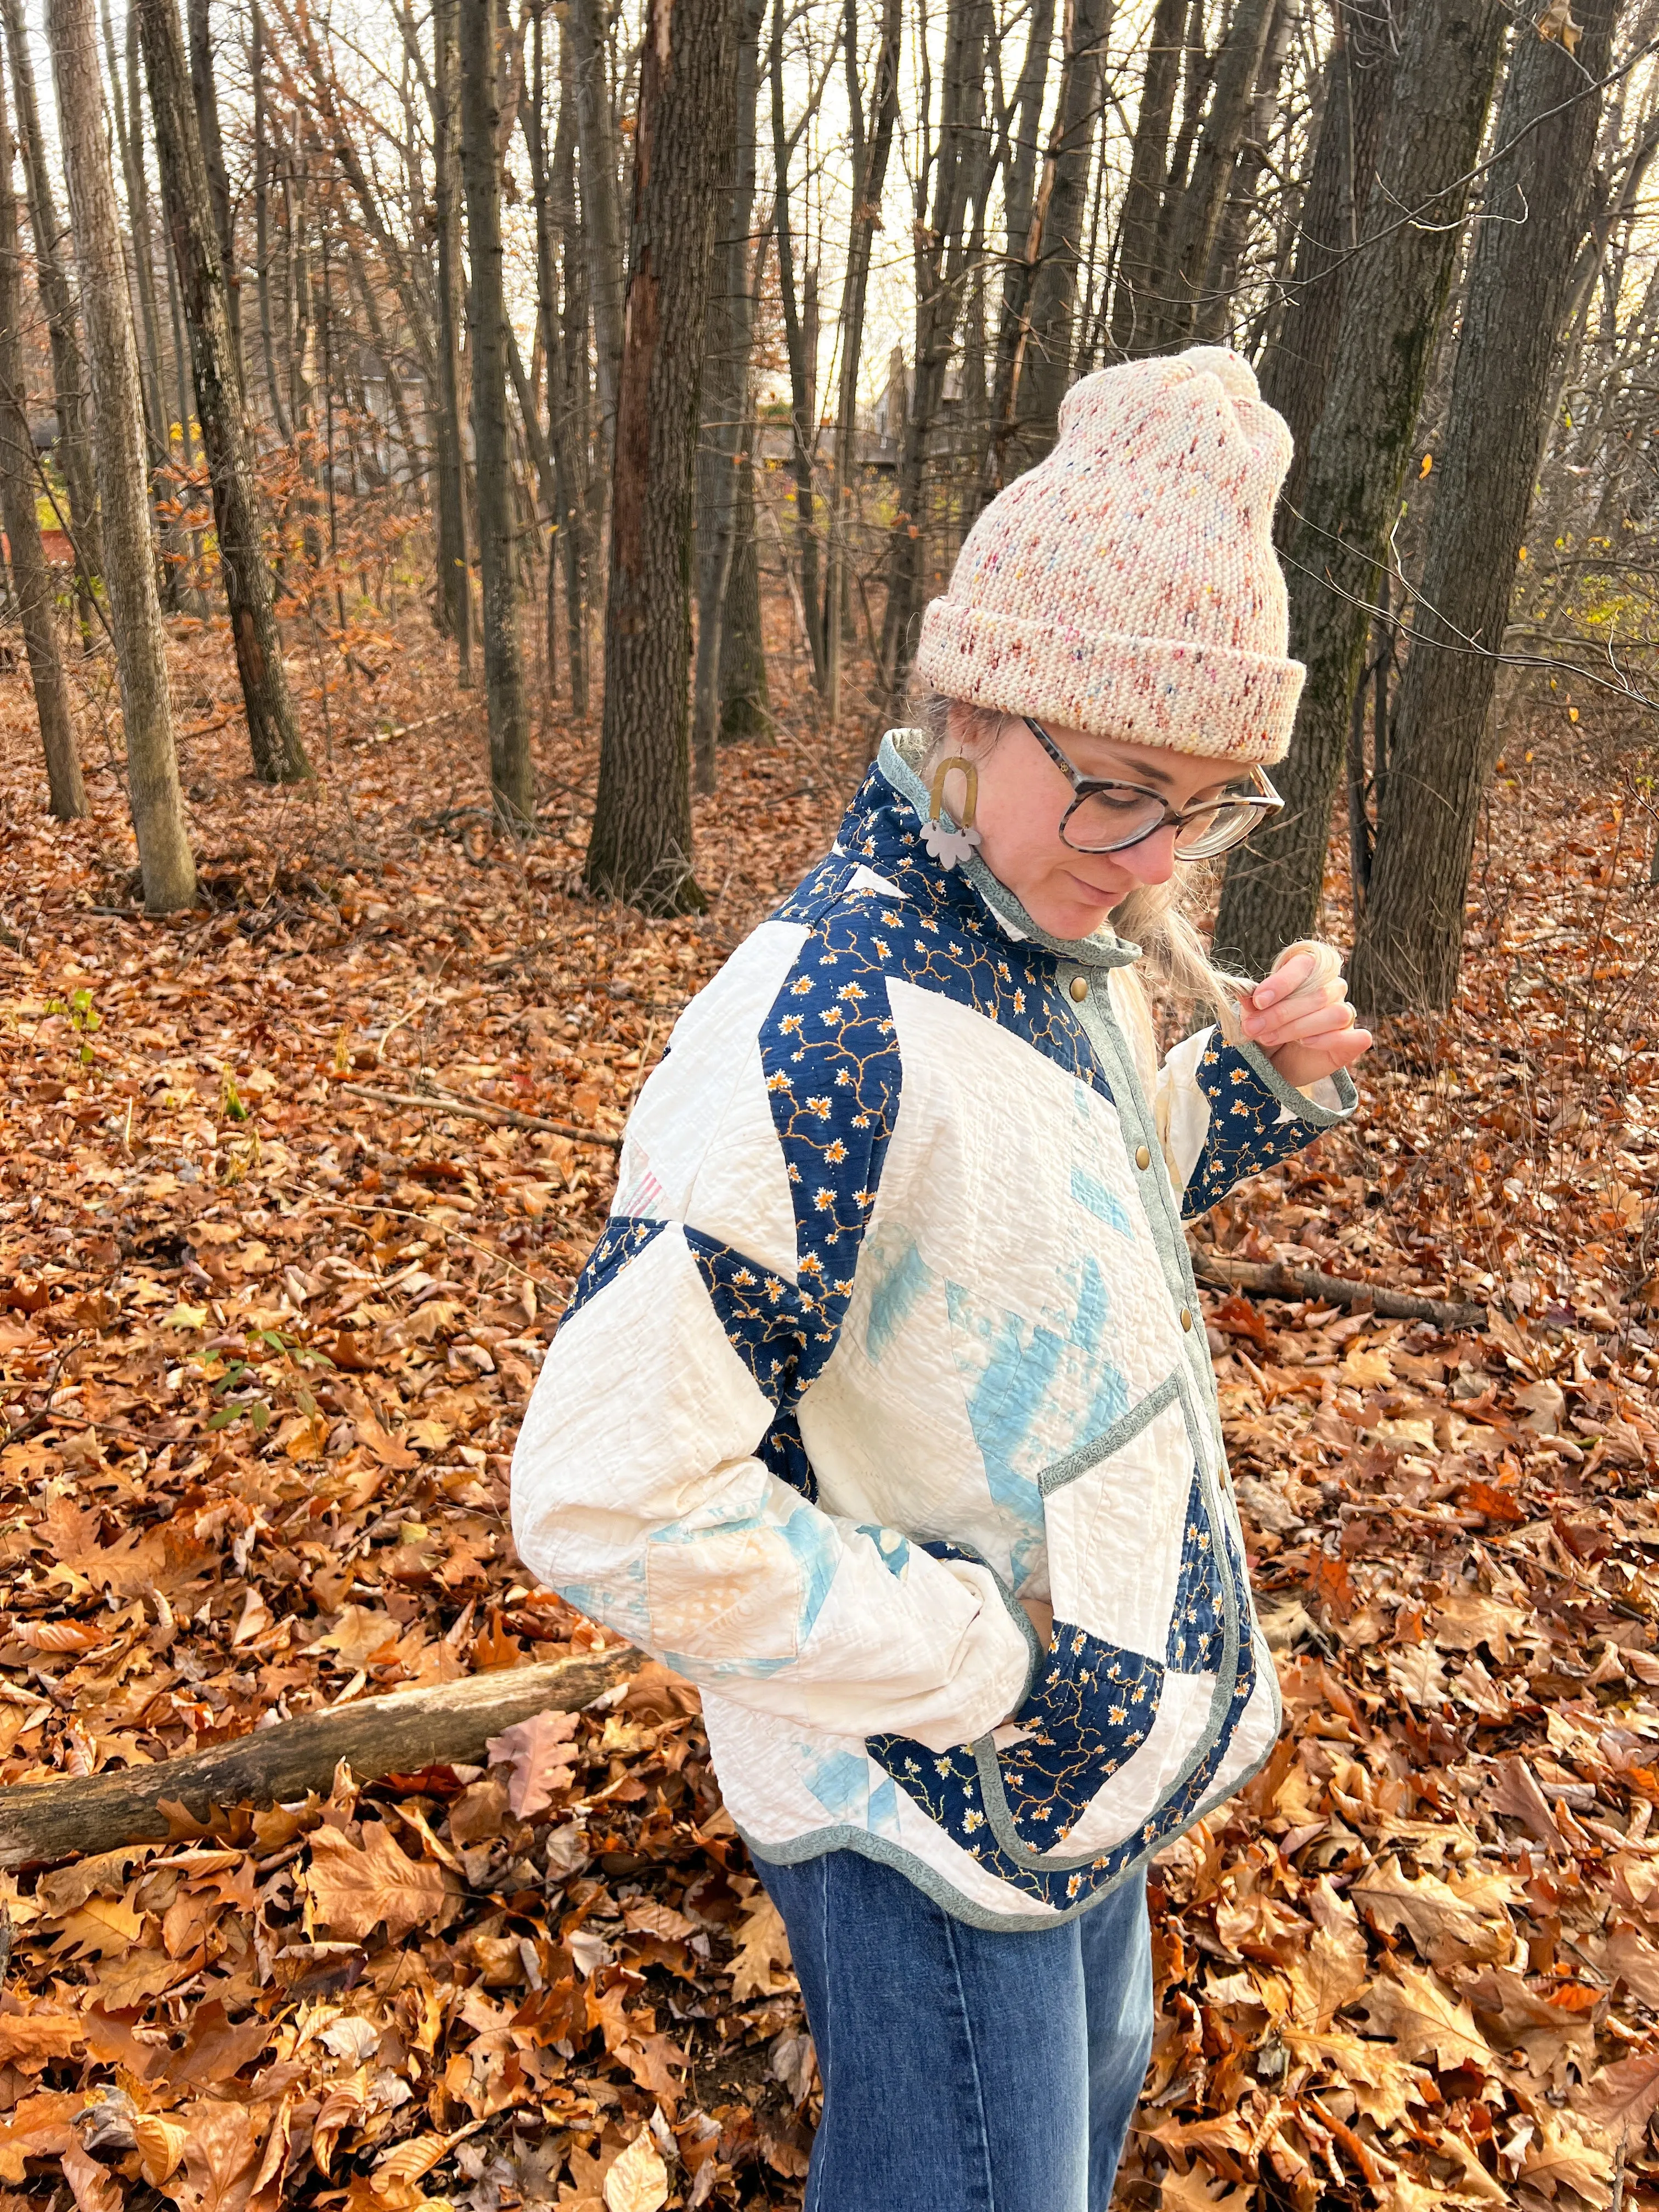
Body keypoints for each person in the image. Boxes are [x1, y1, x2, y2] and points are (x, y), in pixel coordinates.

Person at [511, 346, 1374, 2211]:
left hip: (1087, 1747)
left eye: (1212, 805)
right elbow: (603, 1491)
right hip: (925, 1788)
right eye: (1125, 788)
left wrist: (1240, 1088)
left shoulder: (1052, 934)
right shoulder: (820, 1033)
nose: (1157, 861)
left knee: (1095, 2095)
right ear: (976, 705)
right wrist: (993, 1670)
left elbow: (1043, 1226)